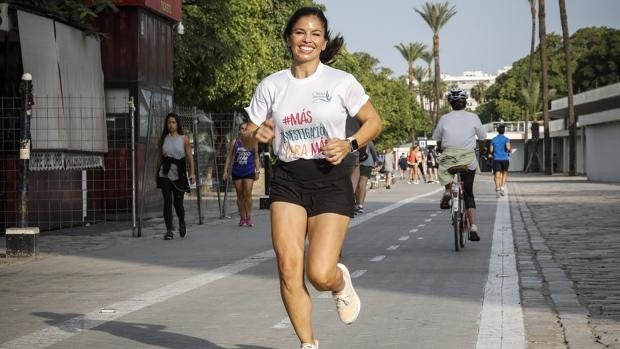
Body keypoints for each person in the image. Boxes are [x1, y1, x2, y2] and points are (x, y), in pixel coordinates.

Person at [241, 7, 382, 349]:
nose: (307, 39)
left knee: (319, 273)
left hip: (331, 177)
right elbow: (246, 133)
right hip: (288, 177)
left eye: (315, 34)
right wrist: (254, 135)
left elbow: (373, 121)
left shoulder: (340, 82)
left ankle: (338, 283)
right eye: (300, 32)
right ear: (289, 38)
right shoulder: (272, 85)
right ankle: (308, 344)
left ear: (324, 43)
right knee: (289, 267)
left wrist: (349, 143)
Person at [432, 88, 487, 241]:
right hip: (467, 158)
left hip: (449, 156)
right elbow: (482, 138)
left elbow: (437, 138)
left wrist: (439, 147)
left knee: (443, 169)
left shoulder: (444, 118)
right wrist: (482, 149)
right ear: (465, 103)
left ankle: (448, 191)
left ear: (451, 103)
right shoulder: (474, 117)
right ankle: (473, 226)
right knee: (468, 193)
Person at [156, 112, 196, 240]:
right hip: (165, 174)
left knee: (178, 204)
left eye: (173, 122)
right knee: (167, 201)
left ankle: (182, 222)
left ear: (177, 124)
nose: (171, 125)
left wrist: (192, 172)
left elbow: (190, 157)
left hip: (179, 174)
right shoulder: (163, 139)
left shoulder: (184, 139)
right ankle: (169, 230)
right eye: (169, 122)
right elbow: (159, 157)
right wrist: (156, 172)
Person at [222, 122, 261, 226]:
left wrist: (257, 171)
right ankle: (242, 218)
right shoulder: (234, 142)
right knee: (240, 195)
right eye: (242, 129)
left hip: (249, 171)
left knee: (248, 194)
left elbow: (256, 157)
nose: (244, 130)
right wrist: (225, 171)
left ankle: (249, 218)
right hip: (237, 171)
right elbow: (229, 157)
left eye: (246, 129)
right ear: (239, 131)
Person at [355, 141, 378, 213]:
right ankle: (360, 205)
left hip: (356, 162)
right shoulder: (368, 140)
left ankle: (356, 203)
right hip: (367, 163)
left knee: (356, 183)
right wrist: (376, 161)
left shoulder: (354, 138)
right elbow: (373, 152)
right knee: (363, 183)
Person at [488, 123, 511, 198]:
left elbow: (491, 150)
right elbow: (508, 148)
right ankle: (502, 188)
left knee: (497, 175)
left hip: (496, 159)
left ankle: (497, 190)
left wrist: (493, 152)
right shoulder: (506, 139)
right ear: (504, 131)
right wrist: (508, 150)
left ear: (498, 131)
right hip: (505, 159)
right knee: (504, 174)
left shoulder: (493, 139)